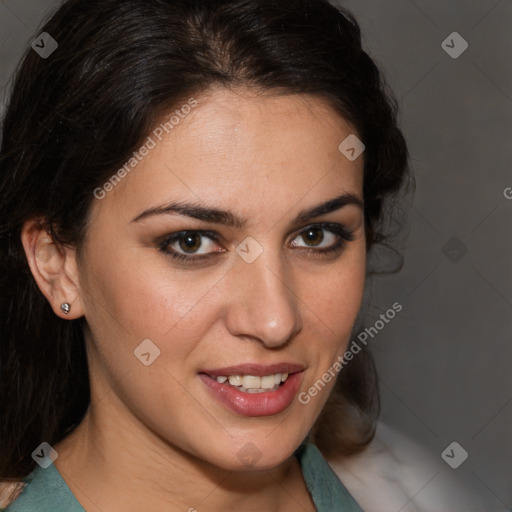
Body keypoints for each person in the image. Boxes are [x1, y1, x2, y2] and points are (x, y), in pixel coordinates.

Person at [0, 0, 423, 510]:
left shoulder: (410, 488)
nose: (274, 320)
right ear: (59, 265)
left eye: (316, 236)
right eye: (192, 242)